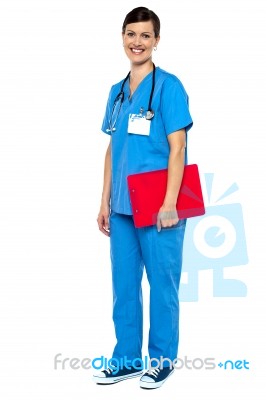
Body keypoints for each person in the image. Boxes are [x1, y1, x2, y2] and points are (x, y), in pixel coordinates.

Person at [94, 6, 193, 389]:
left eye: (145, 35)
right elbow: (111, 148)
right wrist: (104, 200)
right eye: (131, 34)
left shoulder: (169, 86)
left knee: (162, 285)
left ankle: (162, 360)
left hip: (158, 206)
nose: (137, 42)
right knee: (124, 286)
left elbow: (178, 147)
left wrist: (170, 202)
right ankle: (128, 359)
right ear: (123, 37)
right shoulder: (116, 93)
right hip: (121, 208)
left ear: (156, 41)